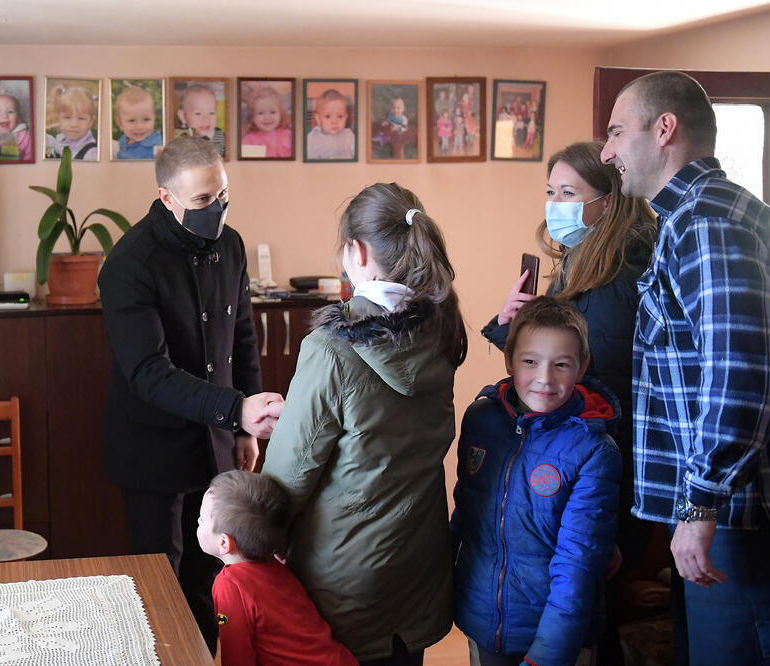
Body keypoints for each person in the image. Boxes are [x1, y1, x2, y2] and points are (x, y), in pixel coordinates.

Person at [600, 70, 770, 665]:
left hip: (739, 516)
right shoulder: (692, 217)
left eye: (616, 132)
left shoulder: (707, 221)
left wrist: (702, 503)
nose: (606, 152)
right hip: (726, 513)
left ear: (664, 129)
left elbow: (741, 372)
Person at [263, 183, 468, 665]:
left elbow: (288, 478)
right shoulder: (440, 327)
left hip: (344, 577)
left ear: (356, 252)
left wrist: (259, 536)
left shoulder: (332, 348)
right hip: (418, 566)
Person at [98, 135, 284, 654]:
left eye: (222, 194)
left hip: (217, 439)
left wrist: (243, 427)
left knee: (211, 576)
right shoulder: (129, 264)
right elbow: (149, 373)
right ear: (167, 197)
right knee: (159, 581)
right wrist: (237, 409)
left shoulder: (232, 246)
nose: (216, 208)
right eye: (202, 200)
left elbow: (242, 338)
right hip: (151, 449)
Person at [481, 140, 657, 663]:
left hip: (605, 463)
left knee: (586, 600)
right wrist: (513, 324)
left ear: (609, 199)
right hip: (579, 457)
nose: (556, 204)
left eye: (569, 193)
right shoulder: (585, 260)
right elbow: (557, 363)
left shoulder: (620, 273)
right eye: (551, 191)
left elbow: (587, 380)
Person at [452, 297, 622, 666]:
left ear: (582, 367)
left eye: (561, 365)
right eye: (530, 362)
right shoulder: (480, 418)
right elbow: (465, 515)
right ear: (509, 359)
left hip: (558, 639)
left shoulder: (594, 449)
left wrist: (547, 655)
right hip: (483, 622)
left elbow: (578, 565)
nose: (545, 379)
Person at [196, 470, 358, 666]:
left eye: (202, 519)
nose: (198, 521)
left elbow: (237, 656)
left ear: (224, 543)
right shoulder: (274, 565)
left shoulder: (230, 585)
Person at [44, 85, 98, 161]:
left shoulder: (91, 154)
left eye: (81, 118)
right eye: (67, 117)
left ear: (91, 122)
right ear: (58, 119)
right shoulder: (59, 139)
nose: (74, 124)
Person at [241, 85, 292, 158]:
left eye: (273, 112)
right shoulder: (250, 140)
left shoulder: (288, 135)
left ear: (281, 113)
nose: (267, 118)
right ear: (253, 117)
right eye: (261, 113)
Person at [177, 83, 226, 157]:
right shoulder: (181, 139)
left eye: (212, 113)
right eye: (198, 113)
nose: (206, 119)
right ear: (183, 116)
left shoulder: (221, 137)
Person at [114, 85, 162, 160]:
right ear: (120, 123)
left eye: (146, 119)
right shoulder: (123, 140)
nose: (139, 127)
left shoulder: (157, 147)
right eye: (131, 121)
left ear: (154, 118)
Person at [306, 89, 355, 160]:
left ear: (346, 117)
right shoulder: (312, 138)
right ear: (318, 119)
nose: (334, 121)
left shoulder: (349, 136)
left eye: (340, 116)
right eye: (328, 116)